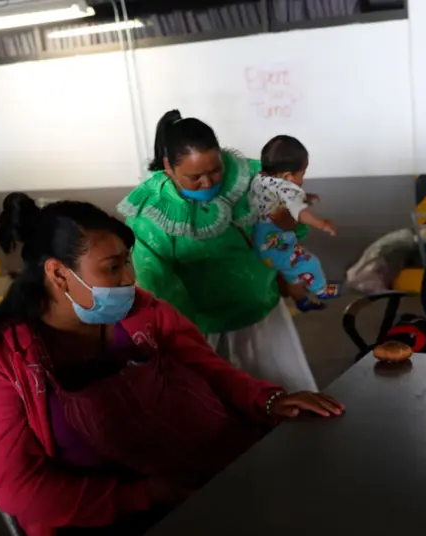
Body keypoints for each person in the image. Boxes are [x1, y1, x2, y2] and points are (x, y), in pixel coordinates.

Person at [0, 194, 344, 536]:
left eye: (127, 261)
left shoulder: (140, 312)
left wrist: (267, 398)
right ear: (59, 275)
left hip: (191, 472)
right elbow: (18, 487)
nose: (129, 278)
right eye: (113, 268)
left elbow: (208, 367)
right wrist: (145, 495)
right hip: (101, 518)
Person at [117, 110, 317, 391]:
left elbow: (287, 229)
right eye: (194, 177)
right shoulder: (151, 214)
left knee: (283, 392)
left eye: (215, 170)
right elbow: (156, 285)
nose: (208, 183)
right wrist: (181, 339)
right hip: (201, 329)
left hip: (263, 313)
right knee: (224, 400)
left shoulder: (253, 180)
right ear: (168, 167)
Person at [251, 135, 339, 311]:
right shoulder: (288, 188)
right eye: (303, 173)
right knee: (309, 263)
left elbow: (279, 198)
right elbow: (299, 212)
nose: (302, 179)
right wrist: (321, 223)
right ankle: (321, 290)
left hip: (262, 242)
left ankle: (302, 302)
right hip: (276, 242)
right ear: (288, 176)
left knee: (293, 275)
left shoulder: (260, 179)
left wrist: (304, 197)